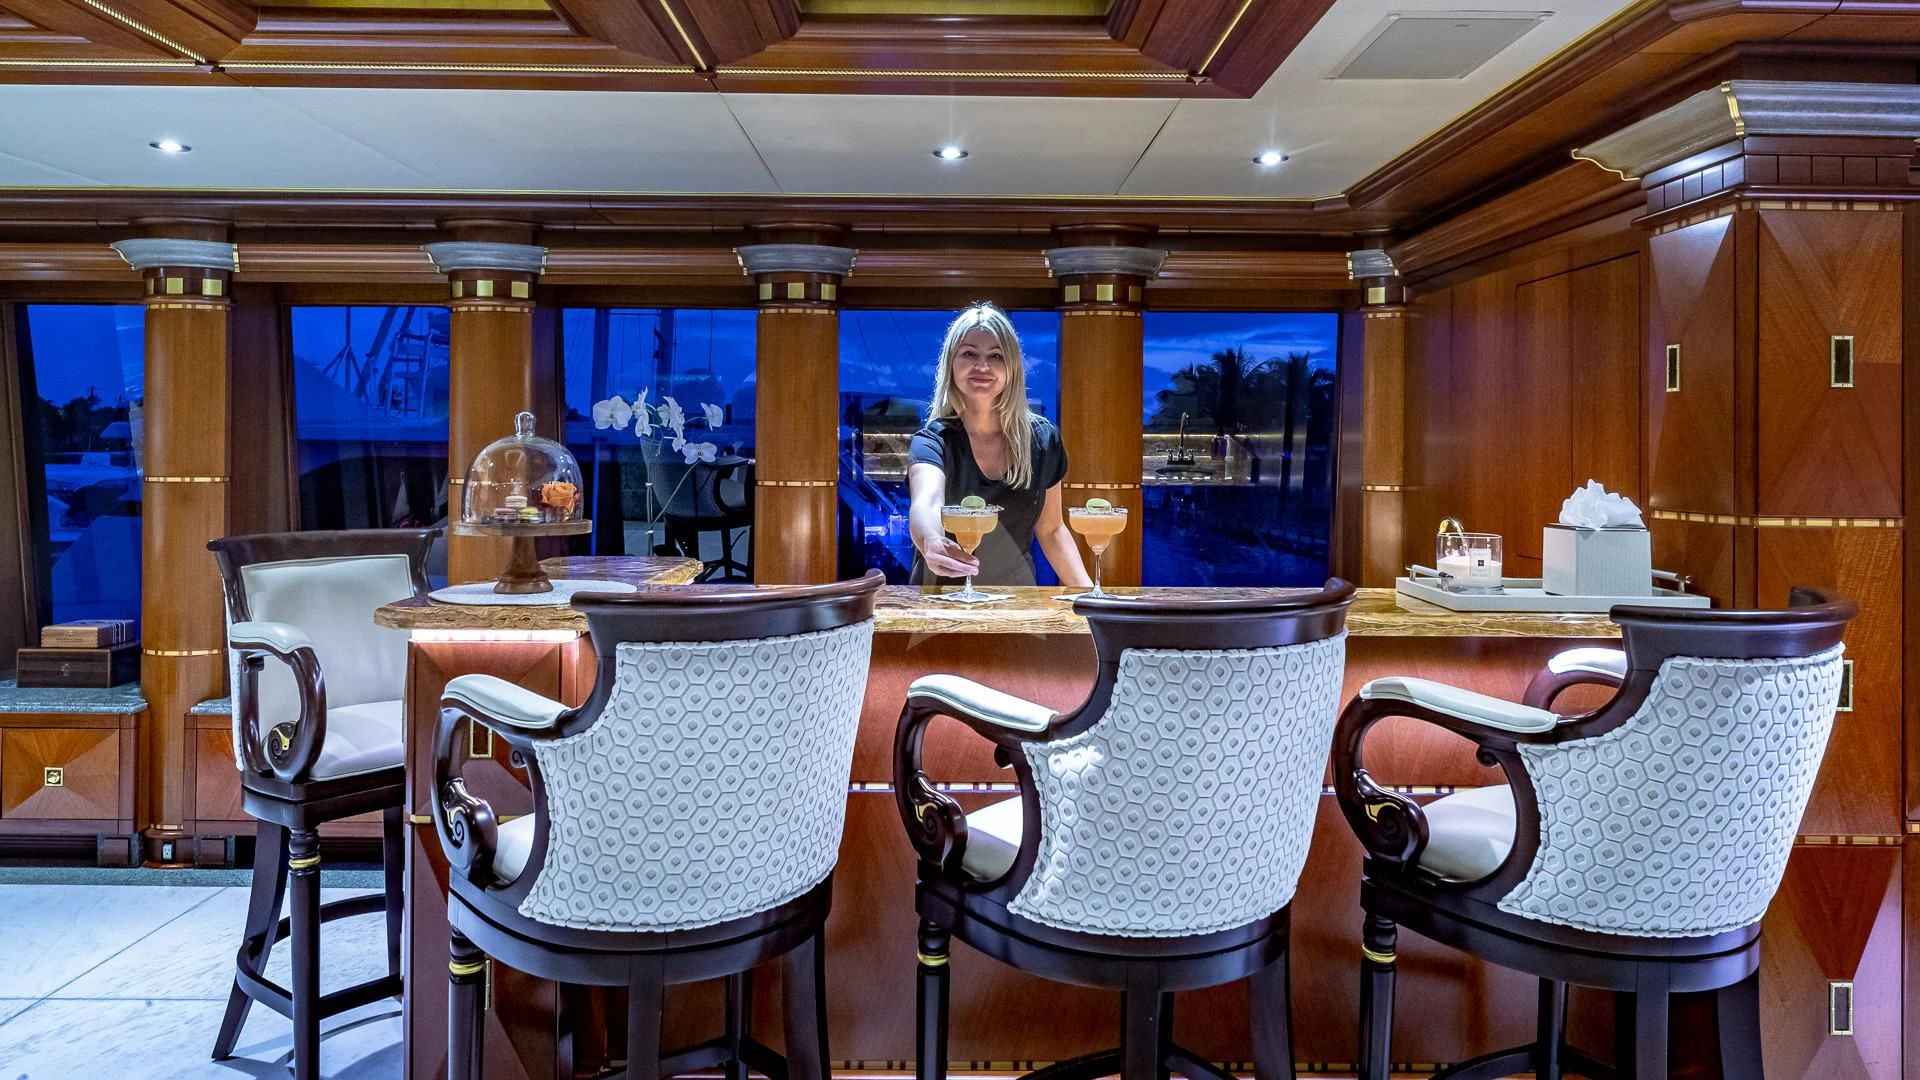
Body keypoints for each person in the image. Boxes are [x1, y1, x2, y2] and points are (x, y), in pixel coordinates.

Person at [908, 303, 1092, 589]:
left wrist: (1093, 603)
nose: (982, 366)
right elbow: (927, 503)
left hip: (1016, 599)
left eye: (996, 356)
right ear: (951, 364)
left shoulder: (1043, 440)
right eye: (969, 353)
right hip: (942, 600)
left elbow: (1052, 530)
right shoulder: (933, 440)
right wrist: (931, 541)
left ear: (1012, 368)